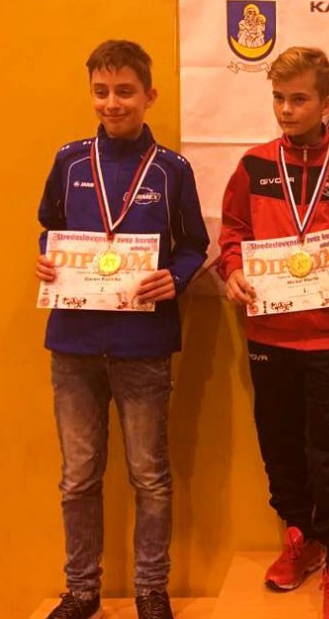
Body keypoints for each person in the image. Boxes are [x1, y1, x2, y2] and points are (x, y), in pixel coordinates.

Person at [215, 46, 329, 619]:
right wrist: (233, 270)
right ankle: (300, 535)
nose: (286, 110)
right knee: (279, 444)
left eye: (298, 99)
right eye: (278, 98)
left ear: (325, 101)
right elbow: (233, 231)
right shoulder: (253, 165)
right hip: (268, 335)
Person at [35, 40, 209, 619]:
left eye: (125, 92)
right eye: (102, 91)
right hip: (75, 343)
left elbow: (195, 245)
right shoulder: (69, 162)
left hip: (143, 345)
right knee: (78, 478)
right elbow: (50, 228)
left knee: (150, 476)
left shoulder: (172, 170)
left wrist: (175, 278)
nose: (113, 103)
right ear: (92, 94)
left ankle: (151, 589)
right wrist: (47, 259)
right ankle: (82, 590)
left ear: (149, 96)